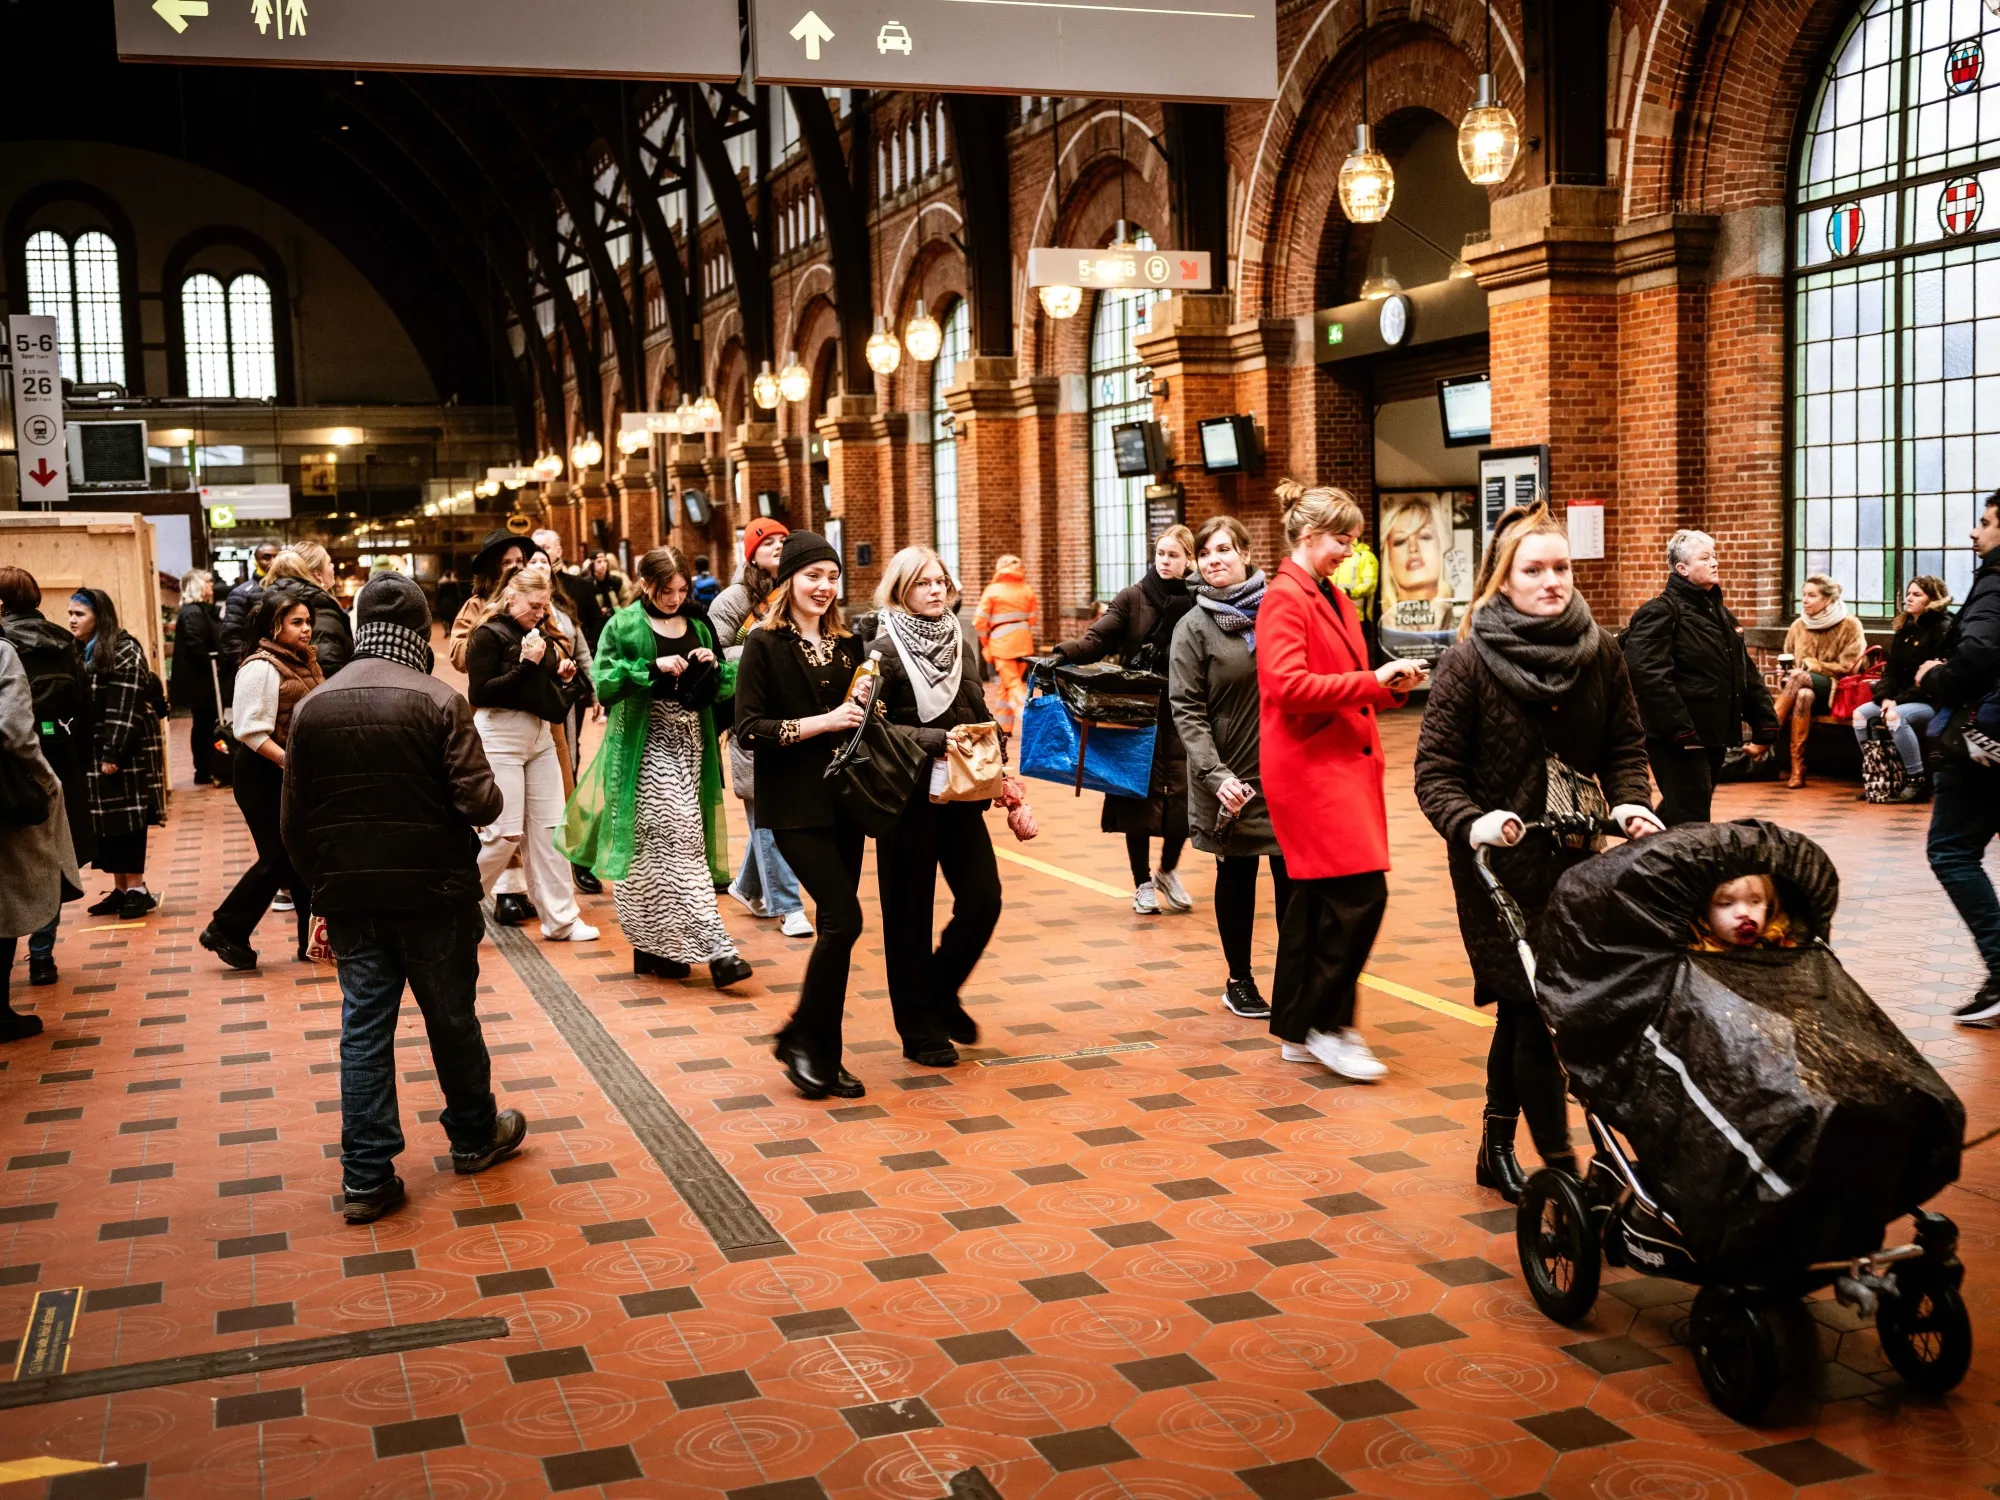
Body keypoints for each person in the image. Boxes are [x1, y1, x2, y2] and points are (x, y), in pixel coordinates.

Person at [1413, 507, 1660, 1198]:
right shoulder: (1468, 662)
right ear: (1504, 580)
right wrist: (1472, 823)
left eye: (1561, 569)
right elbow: (1435, 773)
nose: (1552, 582)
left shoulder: (1601, 651)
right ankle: (1561, 1166)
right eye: (1535, 570)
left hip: (1580, 860)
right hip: (1499, 863)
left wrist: (1630, 799)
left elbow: (1623, 745)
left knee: (1549, 1005)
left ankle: (1495, 1146)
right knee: (1530, 1005)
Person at [283, 574, 526, 1224]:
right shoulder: (440, 701)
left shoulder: (314, 706)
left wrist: (324, 892)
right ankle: (475, 1136)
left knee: (364, 1028)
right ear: (420, 631)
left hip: (354, 898)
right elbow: (481, 803)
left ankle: (367, 1176)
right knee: (451, 1017)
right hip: (436, 895)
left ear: (361, 626)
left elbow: (293, 825)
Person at [1258, 481, 1426, 1082]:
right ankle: (1329, 1025)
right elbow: (1285, 687)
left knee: (1315, 902)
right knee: (1359, 898)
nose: (1349, 552)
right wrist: (1373, 680)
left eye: (1353, 542)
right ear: (1309, 536)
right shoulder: (1285, 597)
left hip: (1336, 764)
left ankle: (1298, 1027)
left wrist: (1387, 685)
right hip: (1311, 771)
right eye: (1342, 540)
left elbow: (1345, 679)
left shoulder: (1332, 596)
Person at [561, 547, 752, 987]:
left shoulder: (699, 625)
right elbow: (605, 681)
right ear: (645, 584)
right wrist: (650, 665)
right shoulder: (624, 624)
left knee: (657, 849)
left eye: (682, 589)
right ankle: (718, 949)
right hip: (644, 747)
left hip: (691, 745)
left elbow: (722, 688)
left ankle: (652, 946)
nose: (675, 598)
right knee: (681, 841)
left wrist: (713, 667)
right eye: (666, 590)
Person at [734, 533, 873, 1100]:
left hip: (847, 799)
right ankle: (800, 1039)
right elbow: (749, 729)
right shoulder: (763, 644)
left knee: (838, 931)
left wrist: (868, 709)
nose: (824, 587)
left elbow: (865, 717)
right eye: (813, 575)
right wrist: (824, 722)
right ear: (787, 580)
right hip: (793, 805)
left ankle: (821, 1051)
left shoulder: (849, 643)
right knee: (843, 920)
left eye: (832, 576)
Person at [869, 546, 1003, 1067]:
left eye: (941, 580)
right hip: (906, 799)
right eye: (923, 582)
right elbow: (872, 728)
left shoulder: (959, 638)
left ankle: (940, 990)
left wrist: (993, 742)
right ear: (902, 588)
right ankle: (918, 1028)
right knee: (908, 916)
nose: (935, 589)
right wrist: (938, 738)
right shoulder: (881, 648)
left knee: (983, 898)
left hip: (960, 794)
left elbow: (974, 702)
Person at [1171, 516, 1286, 1020]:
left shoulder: (1280, 611)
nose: (1214, 559)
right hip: (1230, 775)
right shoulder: (1193, 627)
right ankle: (1239, 979)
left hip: (1285, 772)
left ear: (1244, 552)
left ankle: (1294, 977)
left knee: (1292, 879)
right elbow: (1187, 710)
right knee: (1237, 877)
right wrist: (1217, 776)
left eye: (1223, 549)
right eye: (1205, 553)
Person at [1051, 527, 1197, 916]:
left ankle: (1167, 870)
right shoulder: (1132, 598)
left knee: (1185, 803)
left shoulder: (1199, 600)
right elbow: (1098, 639)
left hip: (1185, 713)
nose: (1164, 561)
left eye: (1173, 555)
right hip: (1139, 713)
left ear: (1189, 560)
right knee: (1137, 797)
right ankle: (1142, 882)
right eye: (1160, 553)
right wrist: (1063, 653)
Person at [466, 562, 597, 944]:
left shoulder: (538, 635)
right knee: (502, 835)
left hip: (539, 735)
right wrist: (528, 664)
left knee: (549, 830)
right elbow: (482, 693)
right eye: (534, 605)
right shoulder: (488, 635)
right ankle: (454, 907)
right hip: (500, 733)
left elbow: (541, 694)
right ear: (511, 596)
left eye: (544, 606)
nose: (540, 613)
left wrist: (563, 678)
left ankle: (561, 919)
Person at [1621, 530, 1779, 825]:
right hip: (1677, 737)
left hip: (1711, 734)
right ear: (1682, 569)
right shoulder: (1660, 612)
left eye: (1714, 556)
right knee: (1691, 816)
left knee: (1684, 807)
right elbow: (1647, 675)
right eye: (1705, 558)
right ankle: (1675, 867)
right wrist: (1680, 731)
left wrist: (1765, 723)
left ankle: (1646, 856)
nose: (1715, 562)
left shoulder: (1720, 615)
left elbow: (1743, 671)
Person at [199, 592, 323, 971]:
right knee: (278, 857)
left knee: (298, 857)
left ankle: (311, 941)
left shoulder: (304, 660)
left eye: (307, 621)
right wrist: (289, 761)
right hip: (262, 774)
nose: (306, 629)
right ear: (274, 626)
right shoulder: (261, 667)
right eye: (296, 623)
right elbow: (249, 731)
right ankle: (226, 928)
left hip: (288, 775)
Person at [1916, 492, 2000, 1025]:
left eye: (1987, 522)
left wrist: (1936, 676)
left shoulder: (1995, 582)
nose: (1976, 532)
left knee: (1951, 850)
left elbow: (1980, 654)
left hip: (1981, 745)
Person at [710, 519, 811, 938]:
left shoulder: (795, 591)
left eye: (783, 540)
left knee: (780, 811)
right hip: (750, 717)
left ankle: (747, 885)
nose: (777, 546)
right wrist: (762, 649)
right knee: (767, 815)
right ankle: (788, 906)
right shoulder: (734, 599)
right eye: (767, 542)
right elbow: (713, 653)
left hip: (794, 716)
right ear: (751, 553)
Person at [0, 568, 93, 988]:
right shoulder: (64, 641)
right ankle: (42, 955)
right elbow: (84, 700)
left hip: (14, 768)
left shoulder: (4, 647)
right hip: (61, 759)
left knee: (12, 863)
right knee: (51, 856)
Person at [0, 636, 78, 1040]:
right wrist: (46, 777)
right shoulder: (2, 651)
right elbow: (15, 730)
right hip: (5, 795)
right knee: (9, 895)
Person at [68, 588, 161, 920]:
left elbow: (125, 705)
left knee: (128, 822)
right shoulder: (85, 651)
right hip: (99, 752)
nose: (72, 620)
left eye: (79, 614)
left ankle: (137, 889)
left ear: (99, 617)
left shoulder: (124, 649)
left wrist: (113, 752)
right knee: (107, 824)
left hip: (125, 752)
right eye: (71, 614)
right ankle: (122, 889)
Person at [1853, 575, 1952, 801]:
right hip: (1900, 697)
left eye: (1917, 594)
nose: (1909, 598)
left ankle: (1916, 780)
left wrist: (1896, 701)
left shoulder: (1943, 628)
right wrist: (1886, 697)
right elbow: (1891, 670)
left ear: (1933, 599)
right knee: (1860, 715)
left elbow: (1933, 678)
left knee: (1895, 716)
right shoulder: (1905, 628)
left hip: (1931, 700)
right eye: (1908, 593)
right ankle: (1880, 774)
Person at [1771, 573, 1866, 790]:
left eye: (1812, 596)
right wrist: (1782, 672)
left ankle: (1766, 735)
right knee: (1803, 694)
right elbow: (1790, 660)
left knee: (1800, 676)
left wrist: (1814, 666)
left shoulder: (1850, 625)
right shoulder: (1798, 625)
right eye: (1803, 595)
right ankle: (1798, 767)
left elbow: (1850, 667)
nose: (1804, 600)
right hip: (1803, 691)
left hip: (1836, 691)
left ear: (1828, 600)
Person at [172, 569, 228, 787]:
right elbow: (196, 645)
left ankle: (209, 766)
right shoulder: (193, 613)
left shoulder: (199, 611)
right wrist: (210, 661)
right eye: (207, 582)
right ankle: (205, 768)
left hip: (204, 679)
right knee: (205, 724)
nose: (211, 586)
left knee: (206, 724)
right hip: (202, 681)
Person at [264, 542, 354, 677]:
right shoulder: (319, 609)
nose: (333, 566)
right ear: (318, 574)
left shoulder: (283, 600)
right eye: (329, 563)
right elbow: (328, 666)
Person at [974, 554, 1039, 737]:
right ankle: (1005, 728)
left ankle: (1031, 720)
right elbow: (1033, 619)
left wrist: (986, 644)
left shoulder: (993, 591)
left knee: (1011, 685)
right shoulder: (1027, 590)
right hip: (1024, 643)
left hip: (1002, 645)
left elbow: (979, 622)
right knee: (1006, 686)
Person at [1690, 873, 1794, 950]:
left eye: (1755, 902)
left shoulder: (1779, 937)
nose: (1744, 912)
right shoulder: (1696, 947)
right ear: (1705, 912)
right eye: (1726, 903)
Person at [219, 541, 279, 660]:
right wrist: (245, 664)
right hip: (256, 662)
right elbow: (232, 637)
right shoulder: (242, 593)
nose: (273, 561)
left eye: (276, 557)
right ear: (256, 561)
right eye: (266, 557)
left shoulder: (286, 587)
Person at [575, 553, 630, 651]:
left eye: (605, 561)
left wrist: (616, 611)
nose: (603, 564)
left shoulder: (616, 581)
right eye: (599, 562)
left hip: (617, 625)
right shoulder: (586, 584)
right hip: (596, 630)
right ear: (592, 564)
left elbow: (626, 601)